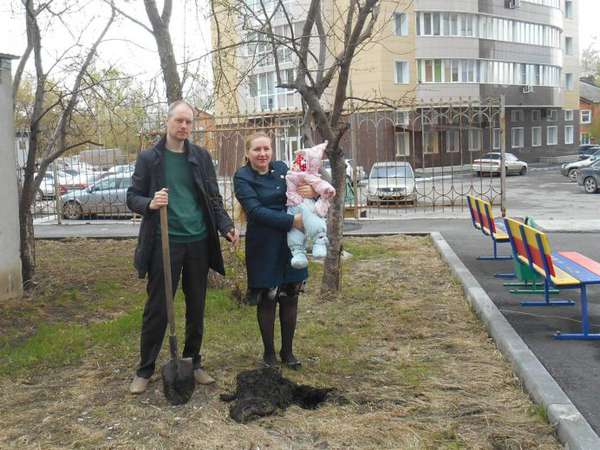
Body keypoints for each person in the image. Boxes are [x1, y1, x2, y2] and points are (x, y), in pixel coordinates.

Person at [127, 100, 238, 394]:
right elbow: (132, 196)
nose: (184, 126)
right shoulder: (150, 158)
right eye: (179, 121)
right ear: (167, 122)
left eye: (189, 122)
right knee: (158, 308)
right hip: (165, 243)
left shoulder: (200, 157)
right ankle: (145, 368)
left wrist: (225, 226)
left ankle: (193, 361)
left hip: (198, 241)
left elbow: (213, 197)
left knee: (196, 304)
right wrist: (149, 203)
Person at [233, 132, 315, 369]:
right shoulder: (242, 177)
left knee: (290, 297)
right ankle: (269, 353)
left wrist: (311, 191)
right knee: (268, 298)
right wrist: (293, 222)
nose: (262, 154)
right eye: (257, 150)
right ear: (248, 153)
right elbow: (255, 211)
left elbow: (299, 190)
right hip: (264, 244)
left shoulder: (281, 168)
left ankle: (287, 352)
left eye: (266, 149)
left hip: (291, 243)